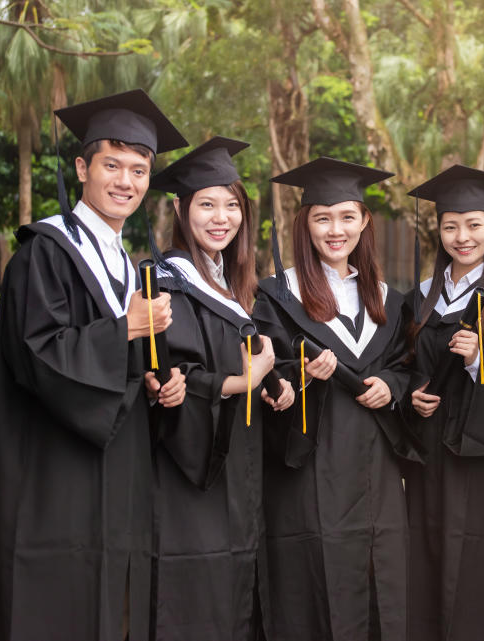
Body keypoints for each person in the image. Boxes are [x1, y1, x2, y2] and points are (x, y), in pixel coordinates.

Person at [0, 89, 188, 641]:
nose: (126, 181)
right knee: (61, 605)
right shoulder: (45, 252)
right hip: (60, 475)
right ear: (82, 167)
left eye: (139, 169)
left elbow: (125, 361)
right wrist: (125, 328)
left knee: (118, 605)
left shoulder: (126, 263)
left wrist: (155, 385)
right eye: (112, 165)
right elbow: (37, 354)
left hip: (121, 470)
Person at [253, 157, 424, 641]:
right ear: (304, 223)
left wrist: (393, 385)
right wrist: (302, 378)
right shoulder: (275, 297)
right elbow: (268, 374)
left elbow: (408, 367)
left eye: (347, 216)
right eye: (322, 217)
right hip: (310, 475)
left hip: (377, 481)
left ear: (365, 221)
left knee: (380, 591)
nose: (335, 229)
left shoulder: (391, 301)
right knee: (313, 595)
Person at [148, 136, 295, 640]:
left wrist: (272, 385)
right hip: (195, 473)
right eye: (207, 204)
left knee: (238, 586)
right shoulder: (169, 283)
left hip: (239, 466)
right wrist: (243, 381)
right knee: (201, 589)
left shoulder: (231, 285)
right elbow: (173, 380)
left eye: (232, 205)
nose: (221, 218)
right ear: (179, 207)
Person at [402, 165, 484, 641]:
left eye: (475, 224)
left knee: (480, 569)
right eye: (451, 225)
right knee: (425, 559)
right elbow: (400, 367)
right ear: (438, 228)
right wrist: (409, 396)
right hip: (428, 460)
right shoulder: (418, 301)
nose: (462, 237)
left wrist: (482, 362)